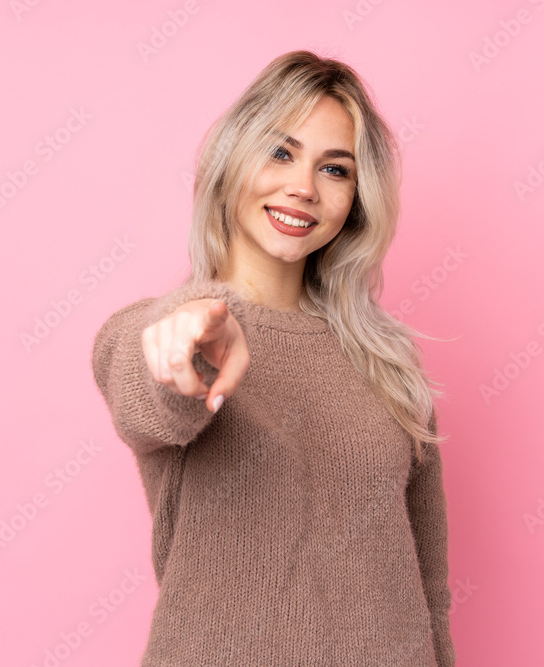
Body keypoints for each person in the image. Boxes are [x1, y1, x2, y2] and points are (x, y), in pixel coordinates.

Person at [91, 49, 456, 666]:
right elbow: (147, 386)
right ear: (232, 159)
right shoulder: (165, 329)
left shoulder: (389, 363)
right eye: (279, 152)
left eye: (334, 169)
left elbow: (430, 591)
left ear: (356, 200)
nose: (303, 187)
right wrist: (188, 339)